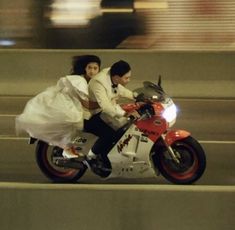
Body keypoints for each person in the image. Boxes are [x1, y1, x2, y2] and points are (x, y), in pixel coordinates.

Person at [15, 55, 101, 158]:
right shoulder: (79, 80)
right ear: (84, 68)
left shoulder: (92, 81)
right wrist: (103, 105)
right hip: (65, 105)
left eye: (95, 68)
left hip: (72, 104)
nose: (92, 71)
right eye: (89, 68)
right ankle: (68, 148)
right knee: (75, 122)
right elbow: (86, 104)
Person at [84, 60, 140, 165]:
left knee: (123, 127)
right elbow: (106, 107)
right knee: (109, 133)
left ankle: (111, 153)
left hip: (102, 112)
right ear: (117, 78)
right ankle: (91, 157)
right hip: (90, 114)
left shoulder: (112, 75)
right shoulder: (98, 83)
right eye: (126, 78)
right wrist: (125, 114)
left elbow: (120, 90)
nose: (129, 80)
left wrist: (136, 96)